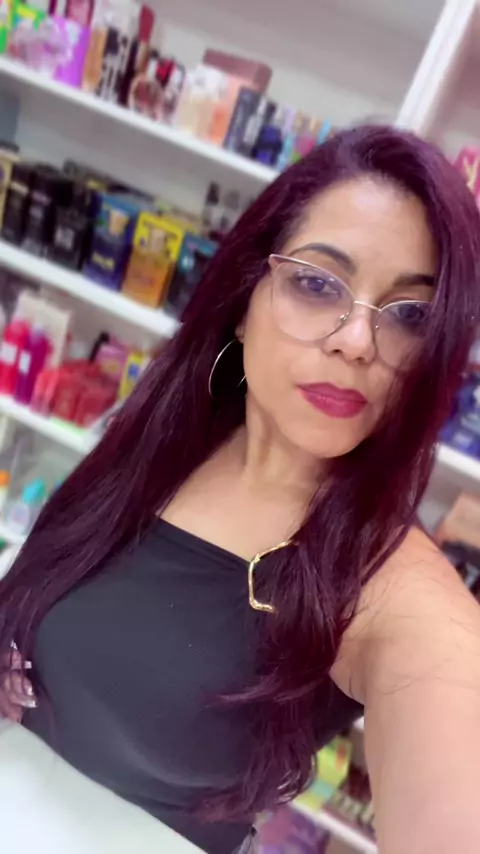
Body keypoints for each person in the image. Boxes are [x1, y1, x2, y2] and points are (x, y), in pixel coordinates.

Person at [1, 125, 480, 854]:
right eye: (317, 283)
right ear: (243, 297)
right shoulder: (167, 439)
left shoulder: (393, 589)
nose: (356, 341)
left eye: (410, 315)